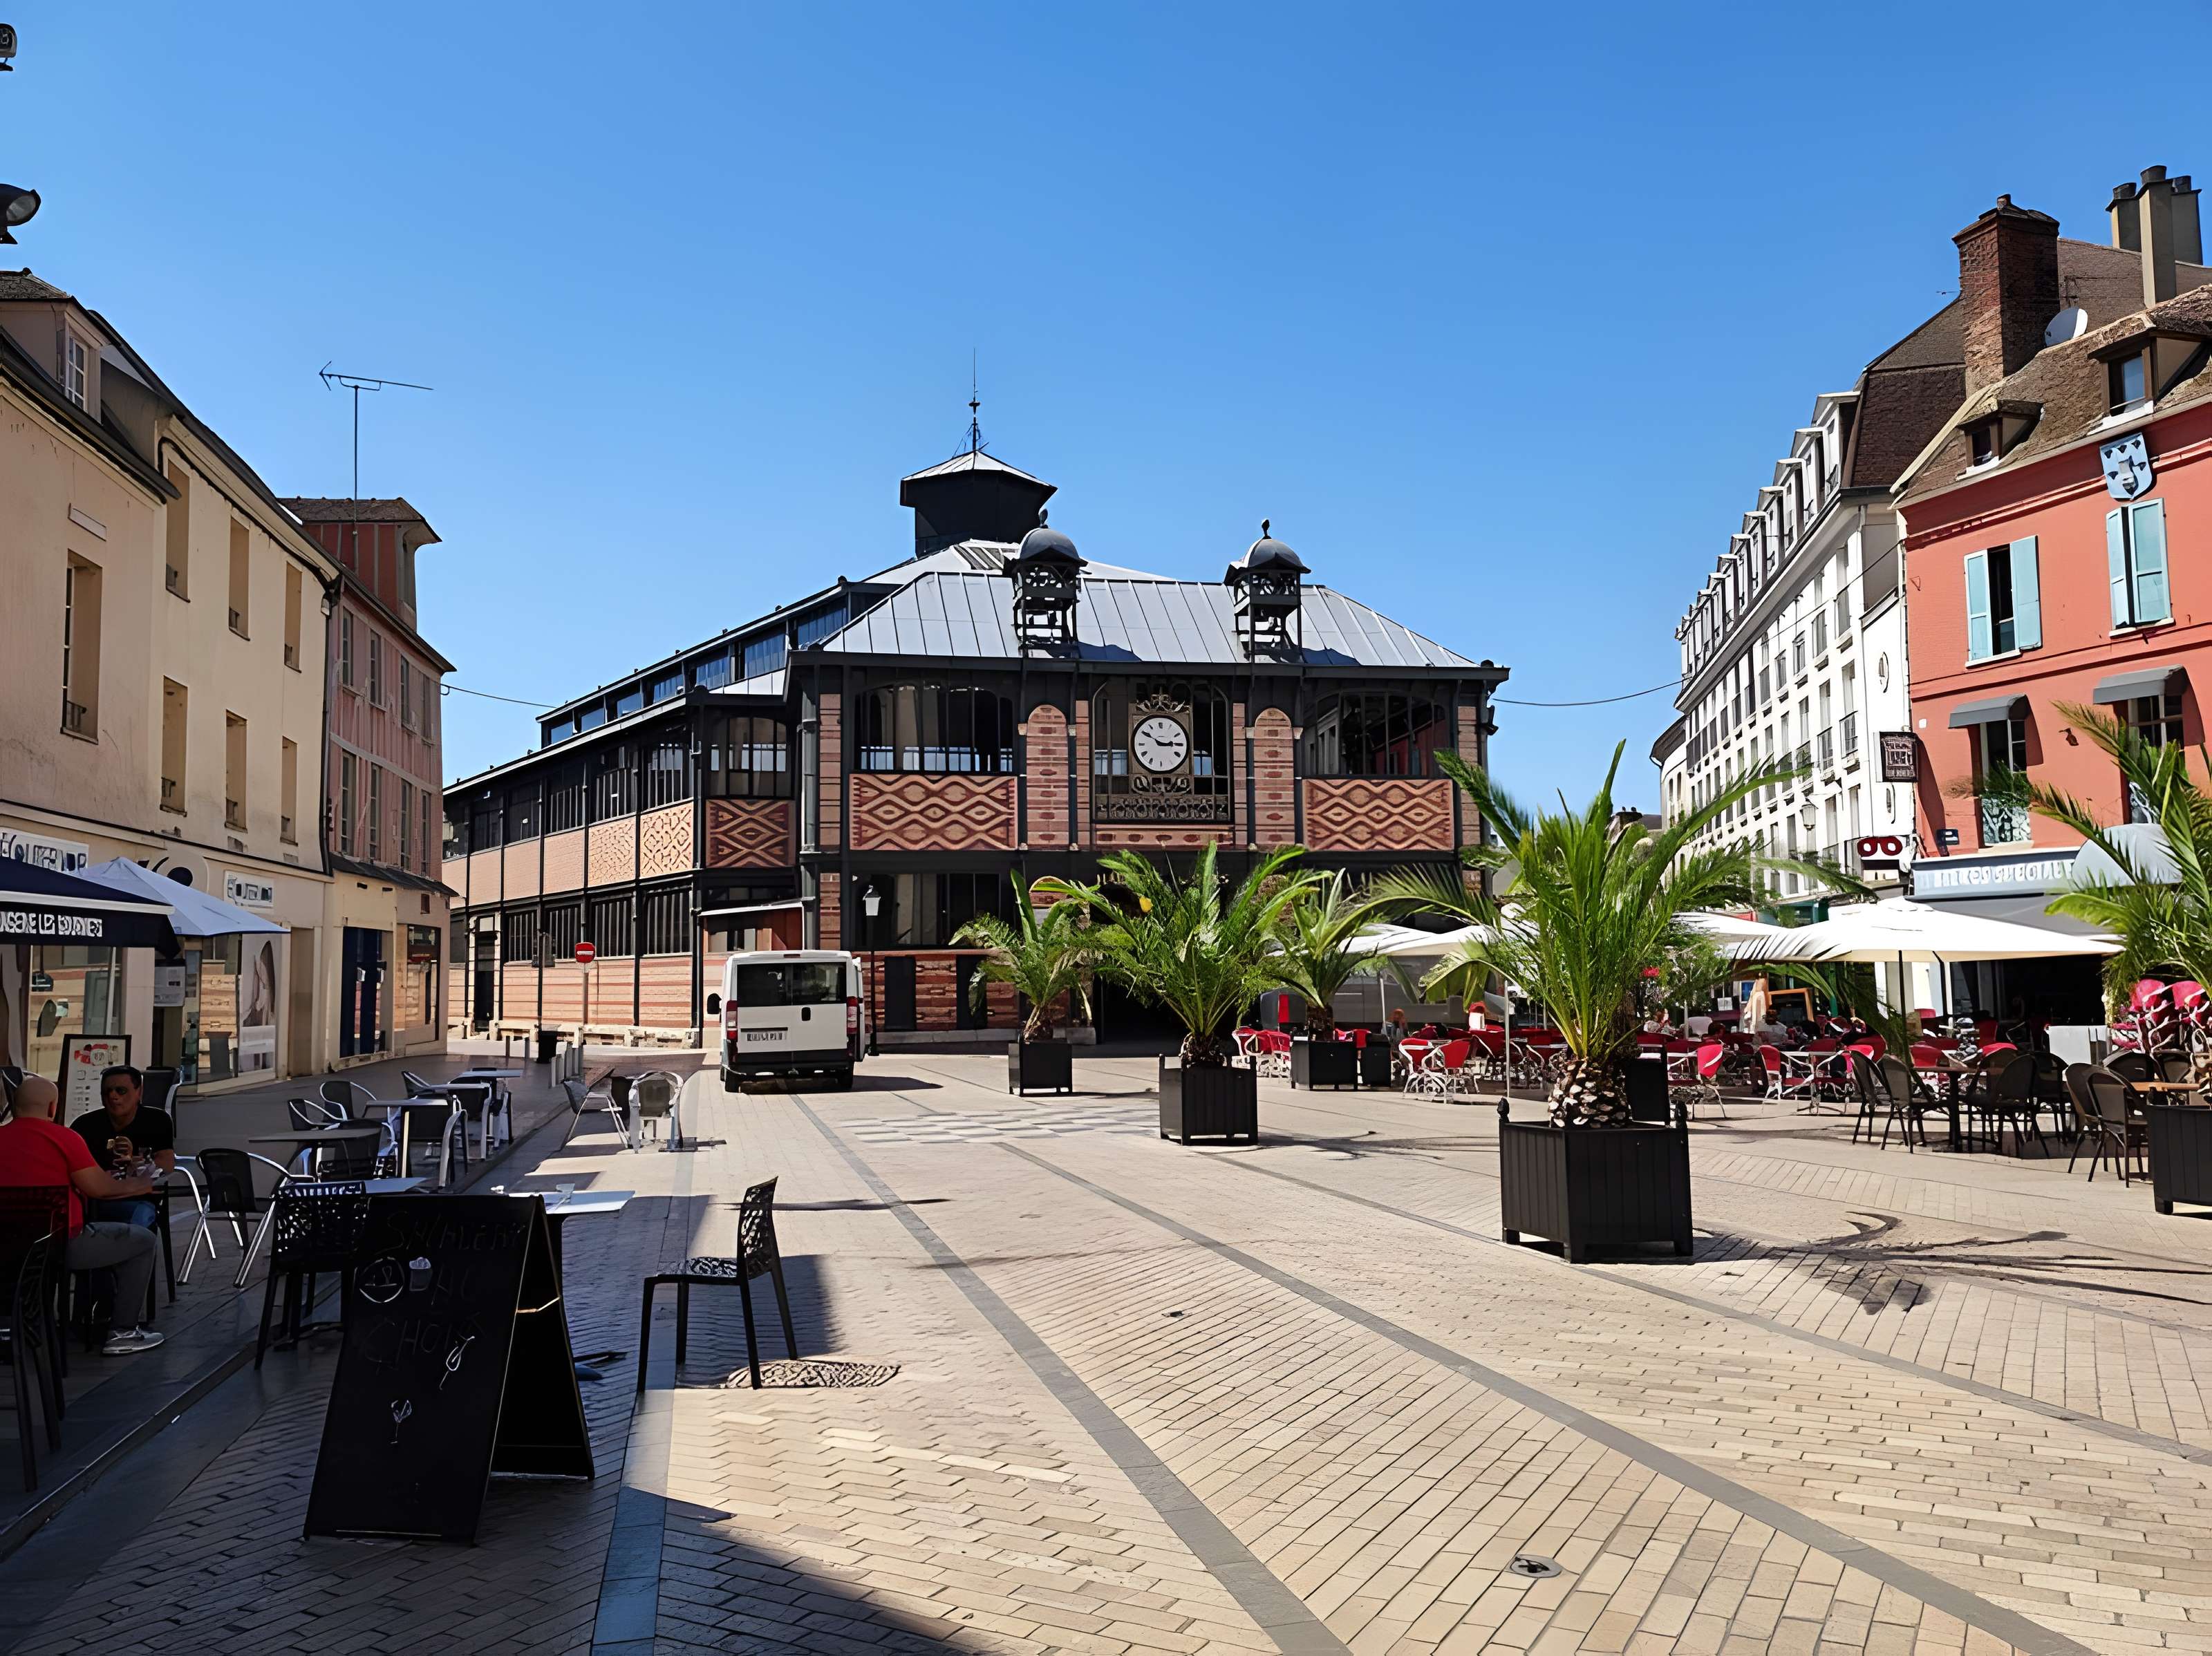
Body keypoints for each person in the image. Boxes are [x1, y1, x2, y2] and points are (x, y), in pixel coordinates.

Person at [0, 1069, 166, 1354]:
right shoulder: (65, 1138)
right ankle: (122, 1331)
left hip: (4, 1247)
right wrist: (142, 1185)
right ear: (53, 1108)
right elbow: (100, 1189)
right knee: (142, 1241)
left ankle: (8, 1327)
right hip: (60, 1245)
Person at [69, 1065, 174, 1230]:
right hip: (94, 1202)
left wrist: (133, 1161)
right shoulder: (84, 1125)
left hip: (139, 1201)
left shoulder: (157, 1121)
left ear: (139, 1092)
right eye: (107, 1091)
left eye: (121, 1091)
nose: (113, 1096)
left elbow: (165, 1169)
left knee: (137, 1222)